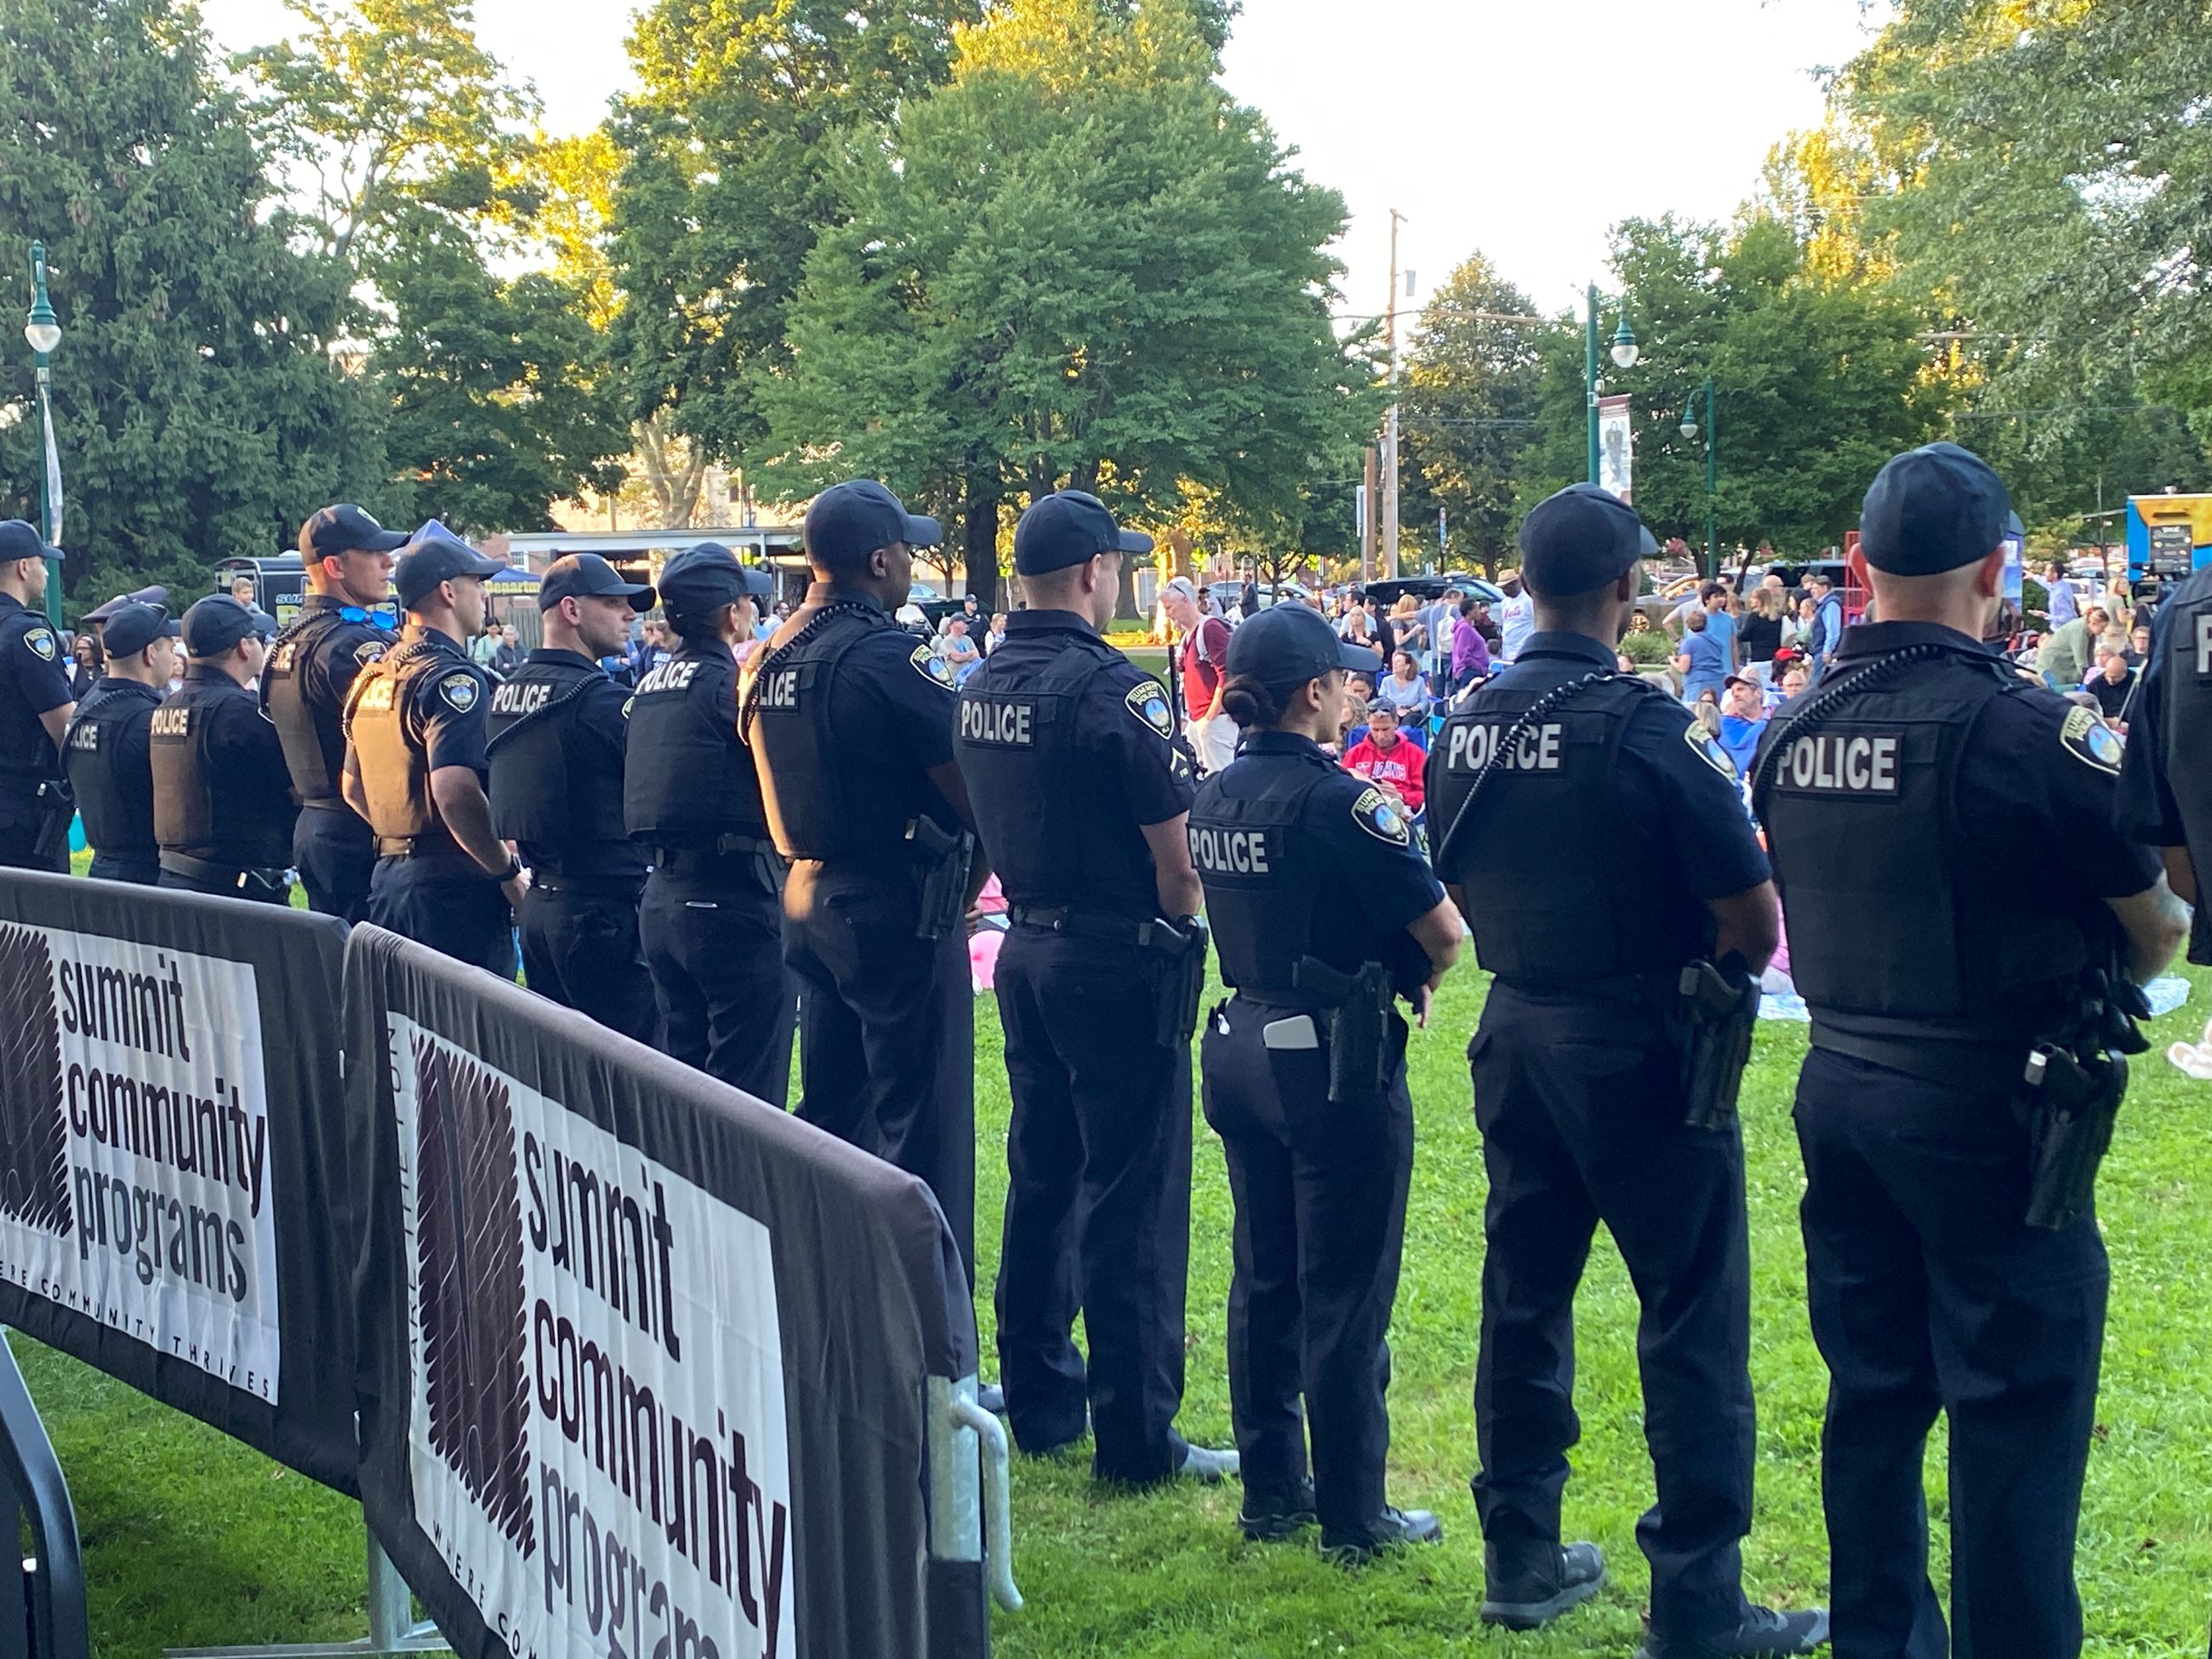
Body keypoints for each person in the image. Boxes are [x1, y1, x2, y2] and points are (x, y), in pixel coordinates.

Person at [1753, 442, 2186, 1659]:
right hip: (1991, 1110)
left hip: (1841, 1087)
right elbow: (2151, 928)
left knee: (1875, 1397)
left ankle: (1880, 1637)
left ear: (1858, 564)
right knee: (2017, 1418)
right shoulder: (2027, 730)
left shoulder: (1795, 727)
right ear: (1999, 569)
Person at [1426, 482, 1822, 1656]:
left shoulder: (1465, 721)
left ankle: (1521, 1554)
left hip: (1517, 1029)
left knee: (1524, 1296)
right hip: (1642, 1044)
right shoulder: (1645, 723)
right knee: (1692, 1315)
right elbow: (1751, 919)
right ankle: (1698, 1597)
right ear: (1619, 590)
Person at [952, 488, 1232, 1486]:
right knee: (1133, 1191)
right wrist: (1180, 929)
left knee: (1044, 1174)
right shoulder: (1114, 690)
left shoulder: (980, 683)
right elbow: (1180, 856)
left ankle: (1036, 1395)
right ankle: (1136, 1433)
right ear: (1088, 575)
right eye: (1114, 562)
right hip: (1116, 953)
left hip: (1024, 943)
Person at [1189, 602, 1462, 1560]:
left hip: (1236, 1042)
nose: (1356, 689)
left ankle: (1272, 1489)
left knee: (1264, 1277)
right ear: (1312, 692)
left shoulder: (1215, 792)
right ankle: (1355, 1513)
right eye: (1343, 678)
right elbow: (1444, 936)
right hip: (1329, 1063)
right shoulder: (1342, 800)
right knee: (1342, 1287)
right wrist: (1405, 972)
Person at [742, 480, 987, 1279]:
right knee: (925, 1133)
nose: (911, 565)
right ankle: (932, 1354)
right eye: (907, 552)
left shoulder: (770, 654)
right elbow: (970, 787)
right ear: (879, 561)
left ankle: (832, 1309)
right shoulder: (886, 653)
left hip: (806, 894)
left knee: (835, 1122)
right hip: (895, 905)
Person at [628, 544, 794, 1103]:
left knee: (686, 1087)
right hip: (732, 900)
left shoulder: (648, 686)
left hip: (662, 900)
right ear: (731, 615)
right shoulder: (735, 687)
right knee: (747, 1097)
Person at [487, 554, 659, 1043]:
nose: (629, 615)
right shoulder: (600, 700)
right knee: (632, 1079)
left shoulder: (507, 693)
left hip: (542, 907)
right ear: (571, 610)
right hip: (604, 915)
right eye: (612, 603)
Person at [343, 523, 526, 971]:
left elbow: (352, 786)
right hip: (453, 890)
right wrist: (505, 872)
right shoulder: (454, 680)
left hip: (389, 877)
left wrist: (403, 834)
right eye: (475, 585)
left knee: (410, 1031)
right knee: (470, 1033)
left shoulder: (374, 675)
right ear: (447, 591)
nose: (482, 596)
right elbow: (454, 791)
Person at [263, 503, 408, 923]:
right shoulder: (351, 644)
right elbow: (387, 744)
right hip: (358, 827)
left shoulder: (288, 641)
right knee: (379, 970)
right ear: (335, 566)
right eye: (373, 553)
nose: (388, 562)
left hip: (315, 823)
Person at [150, 596, 296, 903]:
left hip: (176, 877)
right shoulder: (240, 711)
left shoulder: (167, 706)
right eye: (257, 639)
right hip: (235, 888)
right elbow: (295, 785)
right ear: (243, 647)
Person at [62, 601, 178, 885]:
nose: (174, 658)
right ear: (151, 653)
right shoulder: (144, 717)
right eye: (170, 649)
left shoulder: (87, 706)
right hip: (147, 873)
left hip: (103, 866)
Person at [0, 521, 75, 871]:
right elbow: (64, 728)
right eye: (42, 562)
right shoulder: (26, 632)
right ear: (23, 566)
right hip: (22, 813)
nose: (46, 571)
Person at [1162, 575, 1236, 774]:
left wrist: (1210, 716)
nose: (1168, 614)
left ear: (1185, 600)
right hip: (1198, 722)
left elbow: (1227, 674)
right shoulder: (1188, 637)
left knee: (1219, 784)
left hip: (1215, 723)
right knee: (1201, 783)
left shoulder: (1210, 628)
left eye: (1170, 607)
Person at [1340, 701, 1425, 817]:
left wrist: (1401, 796)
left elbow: (1426, 793)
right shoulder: (1355, 753)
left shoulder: (1415, 754)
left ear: (1396, 723)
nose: (1381, 736)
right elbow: (1342, 787)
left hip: (1400, 809)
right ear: (1368, 725)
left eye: (1385, 729)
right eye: (1375, 730)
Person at [1673, 607, 1730, 704]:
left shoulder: (1689, 643)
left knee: (1696, 711)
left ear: (1689, 625)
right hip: (1718, 679)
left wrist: (1673, 662)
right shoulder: (1716, 641)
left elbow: (1684, 668)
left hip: (1697, 682)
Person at [1715, 674, 1766, 776]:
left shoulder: (1774, 722)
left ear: (1758, 693)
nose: (1735, 694)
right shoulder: (1726, 725)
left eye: (1740, 689)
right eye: (1733, 692)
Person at [1738, 587, 1787, 686]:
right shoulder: (1778, 616)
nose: (1751, 600)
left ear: (1760, 601)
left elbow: (1744, 636)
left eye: (1754, 598)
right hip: (1774, 658)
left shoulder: (1754, 617)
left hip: (1758, 657)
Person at [1805, 573, 1845, 679]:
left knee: (1817, 681)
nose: (1812, 591)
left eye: (1815, 588)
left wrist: (1827, 651)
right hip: (1820, 649)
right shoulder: (1825, 604)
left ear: (1824, 587)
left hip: (1823, 650)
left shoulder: (1831, 604)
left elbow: (1833, 630)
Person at [2084, 645, 2135, 725]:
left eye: (2115, 677)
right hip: (2104, 721)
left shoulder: (2135, 682)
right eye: (2109, 676)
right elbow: (2090, 709)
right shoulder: (2095, 684)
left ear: (2124, 673)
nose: (2111, 680)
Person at [1452, 596, 1493, 692]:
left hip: (1472, 671)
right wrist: (1478, 666)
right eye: (1477, 609)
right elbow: (1463, 652)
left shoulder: (1469, 627)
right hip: (1469, 672)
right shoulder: (1464, 628)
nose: (1480, 611)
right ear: (1470, 611)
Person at [1375, 649, 1428, 719]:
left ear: (1407, 666)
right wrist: (1394, 711)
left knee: (1409, 719)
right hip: (1392, 712)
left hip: (1412, 712)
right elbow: (1382, 699)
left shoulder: (1419, 680)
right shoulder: (1387, 680)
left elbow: (1424, 702)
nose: (1394, 664)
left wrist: (1409, 710)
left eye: (1398, 662)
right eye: (1394, 662)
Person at [1497, 571, 1536, 664]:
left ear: (1516, 583)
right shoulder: (1505, 603)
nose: (1505, 591)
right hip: (1507, 652)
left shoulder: (1529, 600)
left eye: (1507, 587)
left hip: (1523, 650)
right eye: (1503, 588)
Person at [2042, 559, 2079, 627]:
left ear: (2055, 575)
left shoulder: (2059, 594)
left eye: (2047, 571)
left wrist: (2046, 616)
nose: (2044, 573)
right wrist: (2032, 577)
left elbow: (2067, 617)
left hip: (2062, 631)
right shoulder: (2062, 585)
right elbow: (2044, 583)